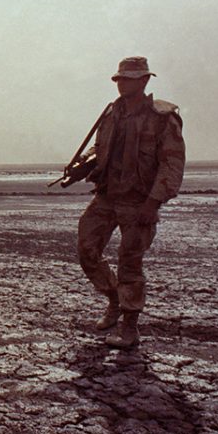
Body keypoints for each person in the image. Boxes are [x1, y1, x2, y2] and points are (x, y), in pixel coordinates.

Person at [78, 56, 185, 348]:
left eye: (128, 78)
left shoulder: (162, 117)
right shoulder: (112, 114)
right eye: (119, 78)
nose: (121, 83)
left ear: (144, 81)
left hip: (139, 202)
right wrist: (86, 164)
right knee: (86, 250)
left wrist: (154, 202)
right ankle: (114, 300)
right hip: (107, 197)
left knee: (130, 264)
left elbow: (171, 164)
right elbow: (101, 148)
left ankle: (129, 327)